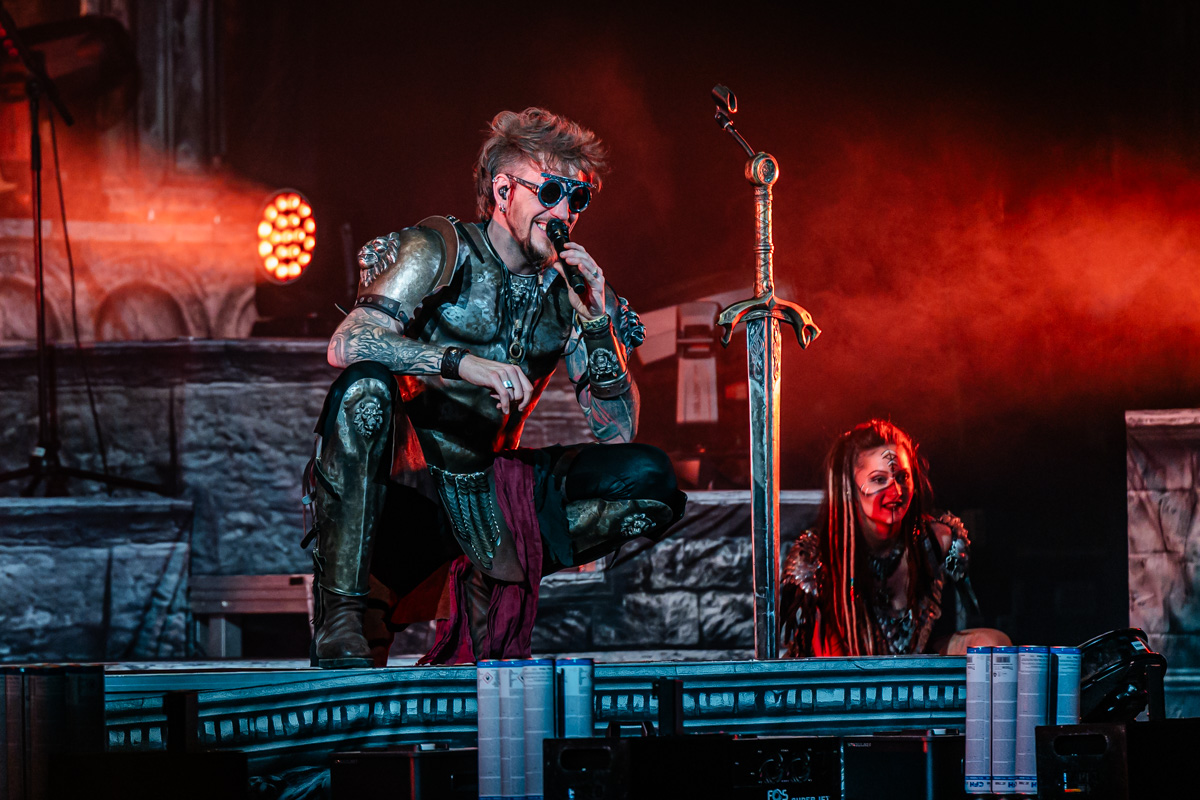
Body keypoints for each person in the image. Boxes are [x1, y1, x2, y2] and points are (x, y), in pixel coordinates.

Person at [302, 107, 686, 668]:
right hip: (413, 486)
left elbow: (618, 431)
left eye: (577, 199)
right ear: (503, 191)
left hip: (496, 490)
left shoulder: (569, 289)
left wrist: (596, 322)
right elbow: (348, 342)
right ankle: (342, 611)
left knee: (650, 479)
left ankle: (496, 562)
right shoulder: (440, 248)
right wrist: (461, 363)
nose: (564, 213)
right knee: (363, 389)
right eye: (550, 192)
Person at [780, 419, 1008, 657]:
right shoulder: (819, 554)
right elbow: (826, 653)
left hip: (913, 663)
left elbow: (969, 611)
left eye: (902, 477)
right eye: (879, 479)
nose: (896, 492)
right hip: (847, 667)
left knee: (993, 642)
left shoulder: (936, 540)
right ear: (850, 486)